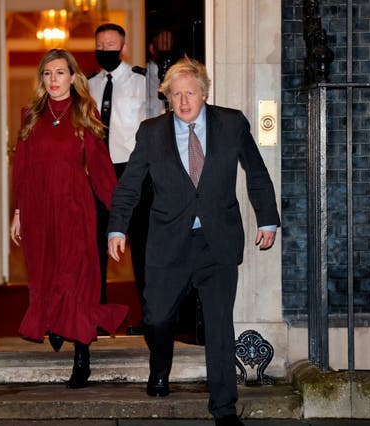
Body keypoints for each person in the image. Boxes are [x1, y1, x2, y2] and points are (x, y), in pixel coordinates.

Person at [107, 56, 280, 426]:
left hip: (216, 241)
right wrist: (117, 228)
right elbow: (130, 185)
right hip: (169, 242)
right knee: (156, 316)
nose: (183, 101)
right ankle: (160, 366)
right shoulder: (151, 132)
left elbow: (257, 172)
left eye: (190, 93)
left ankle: (224, 408)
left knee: (219, 325)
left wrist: (268, 218)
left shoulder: (231, 124)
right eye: (175, 94)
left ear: (203, 93)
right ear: (167, 97)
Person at [10, 49, 128, 389]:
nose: (53, 80)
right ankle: (57, 324)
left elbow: (102, 169)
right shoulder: (30, 115)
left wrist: (119, 217)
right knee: (47, 275)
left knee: (78, 281)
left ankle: (82, 359)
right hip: (39, 210)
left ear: (73, 77)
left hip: (75, 210)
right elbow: (23, 168)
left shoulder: (84, 113)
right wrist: (18, 211)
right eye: (47, 74)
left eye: (60, 73)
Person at [88, 23, 151, 336]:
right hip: (99, 172)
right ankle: (97, 315)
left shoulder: (143, 81)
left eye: (111, 44)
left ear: (123, 48)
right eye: (100, 45)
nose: (105, 50)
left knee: (141, 244)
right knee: (96, 242)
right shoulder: (87, 85)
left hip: (134, 172)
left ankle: (149, 315)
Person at [146, 29, 176, 118]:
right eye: (165, 44)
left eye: (171, 45)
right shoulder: (143, 76)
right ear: (152, 48)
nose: (168, 49)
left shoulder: (176, 74)